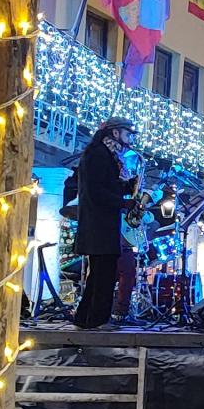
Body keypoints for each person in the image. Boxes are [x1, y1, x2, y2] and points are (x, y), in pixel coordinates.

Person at [71, 118, 139, 329]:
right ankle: (98, 320)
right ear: (115, 133)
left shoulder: (104, 154)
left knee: (99, 275)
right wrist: (124, 202)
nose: (129, 140)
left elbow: (107, 186)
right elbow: (96, 191)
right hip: (98, 224)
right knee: (104, 275)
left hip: (101, 224)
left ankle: (84, 318)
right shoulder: (99, 155)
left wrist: (129, 186)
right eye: (127, 135)